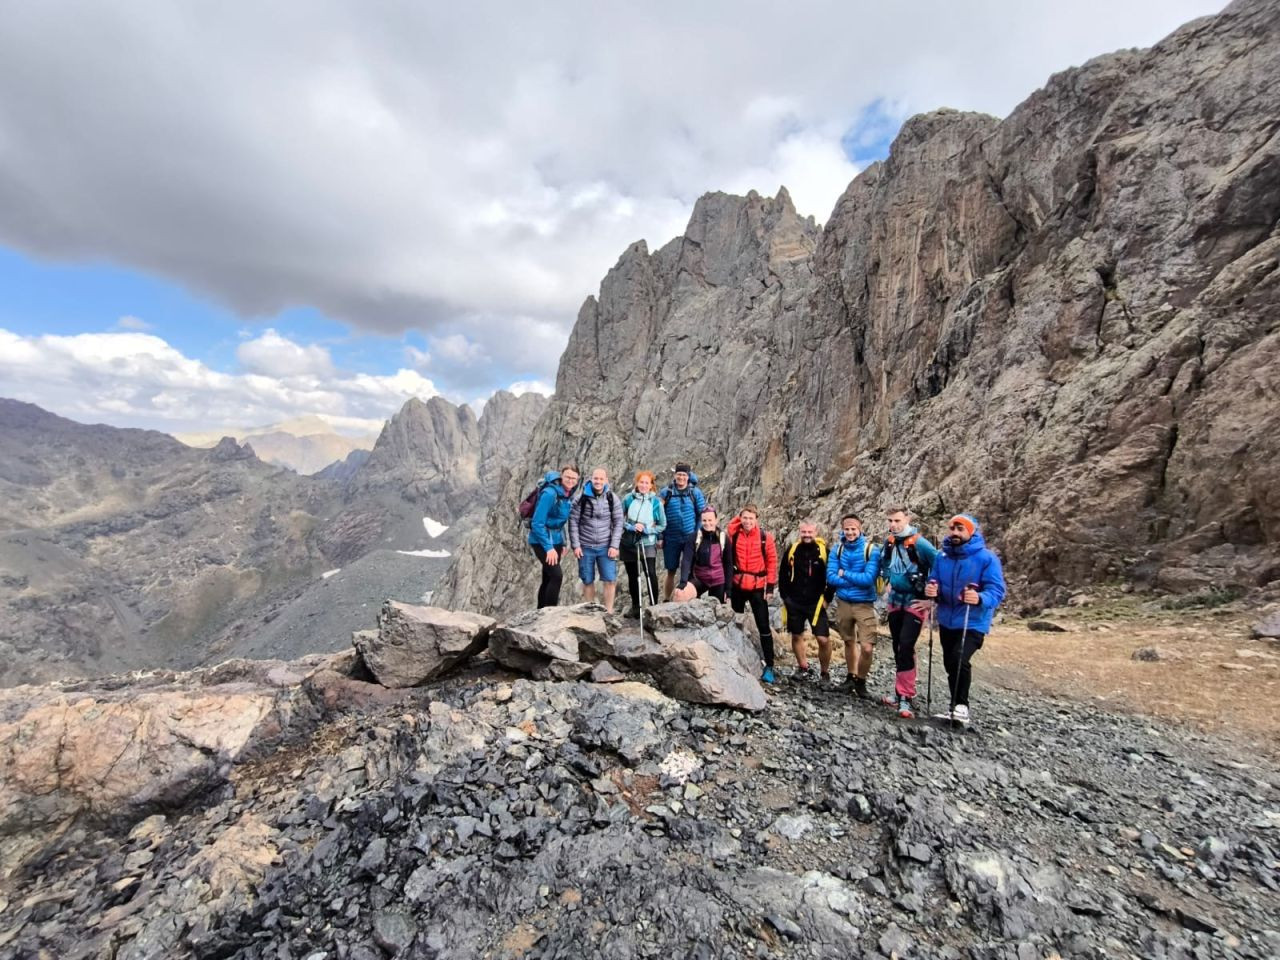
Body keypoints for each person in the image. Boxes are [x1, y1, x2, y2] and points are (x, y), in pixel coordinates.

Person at [924, 514, 1006, 723]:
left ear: (971, 532)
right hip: (947, 619)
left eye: (960, 529)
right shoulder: (942, 557)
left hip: (973, 620)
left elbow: (996, 590)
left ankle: (961, 707)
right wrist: (933, 589)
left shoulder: (986, 558)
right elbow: (934, 579)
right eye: (952, 528)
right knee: (950, 662)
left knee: (959, 658)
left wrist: (979, 597)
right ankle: (955, 707)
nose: (955, 533)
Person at [877, 506, 938, 718]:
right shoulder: (891, 542)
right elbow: (884, 562)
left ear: (907, 519)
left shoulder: (920, 543)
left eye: (897, 521)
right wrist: (887, 580)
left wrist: (932, 597)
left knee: (905, 644)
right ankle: (900, 692)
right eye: (890, 521)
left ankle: (906, 695)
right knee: (897, 645)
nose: (893, 525)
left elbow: (939, 564)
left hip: (915, 601)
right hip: (895, 600)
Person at [826, 514, 882, 699]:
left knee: (867, 647)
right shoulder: (837, 549)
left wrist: (845, 574)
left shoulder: (871, 550)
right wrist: (848, 578)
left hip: (864, 604)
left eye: (853, 529)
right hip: (843, 602)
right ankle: (851, 676)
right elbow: (831, 577)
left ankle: (861, 680)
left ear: (860, 529)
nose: (850, 532)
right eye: (847, 529)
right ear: (843, 529)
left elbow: (868, 580)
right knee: (849, 641)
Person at [726, 505, 779, 683]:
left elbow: (772, 562)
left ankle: (769, 665)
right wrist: (738, 517)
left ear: (757, 519)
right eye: (744, 518)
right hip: (738, 585)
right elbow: (729, 528)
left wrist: (770, 588)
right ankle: (735, 659)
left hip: (758, 587)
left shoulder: (765, 537)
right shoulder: (734, 534)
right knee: (736, 624)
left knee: (763, 627)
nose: (748, 521)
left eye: (751, 518)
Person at [778, 520, 833, 683]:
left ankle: (824, 672)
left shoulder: (824, 551)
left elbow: (832, 577)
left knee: (823, 639)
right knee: (796, 636)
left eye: (810, 532)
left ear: (816, 533)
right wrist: (785, 597)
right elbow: (782, 574)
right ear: (799, 532)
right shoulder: (793, 550)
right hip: (794, 601)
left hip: (816, 603)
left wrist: (827, 599)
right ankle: (803, 667)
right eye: (804, 532)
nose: (807, 535)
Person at [568, 466, 624, 613]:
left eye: (601, 479)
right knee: (587, 580)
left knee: (610, 580)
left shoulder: (612, 498)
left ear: (606, 480)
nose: (598, 481)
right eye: (595, 478)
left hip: (606, 546)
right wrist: (576, 545)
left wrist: (614, 545)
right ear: (591, 479)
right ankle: (591, 612)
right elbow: (573, 522)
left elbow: (619, 522)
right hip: (585, 547)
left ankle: (609, 612)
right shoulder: (581, 499)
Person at [527, 465, 580, 609]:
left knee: (548, 577)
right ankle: (550, 614)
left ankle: (540, 613)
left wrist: (563, 542)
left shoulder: (568, 495)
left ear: (577, 480)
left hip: (556, 539)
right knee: (557, 576)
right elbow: (537, 523)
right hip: (541, 540)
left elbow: (560, 522)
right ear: (561, 476)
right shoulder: (550, 494)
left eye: (574, 478)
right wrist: (549, 548)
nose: (570, 480)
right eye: (567, 477)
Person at [620, 471, 666, 618]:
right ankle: (635, 607)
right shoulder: (628, 499)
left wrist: (648, 530)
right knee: (633, 575)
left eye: (647, 483)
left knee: (650, 573)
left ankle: (654, 607)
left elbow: (662, 525)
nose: (644, 485)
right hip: (629, 542)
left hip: (648, 542)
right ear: (637, 483)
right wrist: (629, 526)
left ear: (651, 485)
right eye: (641, 482)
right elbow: (619, 518)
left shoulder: (656, 503)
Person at [659, 464, 707, 601]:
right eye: (679, 474)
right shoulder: (666, 492)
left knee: (691, 570)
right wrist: (660, 536)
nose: (681, 477)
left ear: (688, 476)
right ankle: (667, 599)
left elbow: (702, 514)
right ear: (675, 475)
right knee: (671, 570)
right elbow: (658, 516)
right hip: (670, 538)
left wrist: (697, 533)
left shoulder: (695, 492)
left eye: (684, 475)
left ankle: (689, 598)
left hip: (689, 538)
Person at [676, 506, 734, 601]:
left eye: (710, 520)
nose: (707, 523)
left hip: (718, 580)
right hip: (699, 579)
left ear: (716, 520)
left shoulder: (724, 538)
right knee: (679, 594)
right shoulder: (694, 537)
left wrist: (728, 589)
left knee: (721, 609)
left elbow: (728, 564)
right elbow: (686, 560)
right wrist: (683, 581)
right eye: (704, 520)